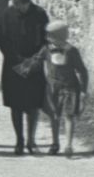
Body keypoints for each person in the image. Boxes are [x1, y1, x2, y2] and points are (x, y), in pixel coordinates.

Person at [0, 0, 49, 154]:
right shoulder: (6, 15)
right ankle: (19, 141)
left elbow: (46, 40)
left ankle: (31, 140)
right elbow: (2, 41)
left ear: (25, 0)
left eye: (16, 0)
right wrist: (17, 61)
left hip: (34, 65)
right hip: (13, 66)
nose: (14, 3)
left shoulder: (40, 15)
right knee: (16, 105)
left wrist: (35, 60)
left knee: (33, 104)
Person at [29, 20, 90, 156]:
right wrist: (22, 70)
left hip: (70, 87)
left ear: (59, 36)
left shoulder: (71, 51)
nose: (47, 38)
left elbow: (82, 71)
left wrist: (84, 91)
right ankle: (55, 143)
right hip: (53, 87)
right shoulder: (46, 49)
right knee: (54, 115)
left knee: (69, 115)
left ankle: (68, 145)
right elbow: (36, 60)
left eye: (50, 35)